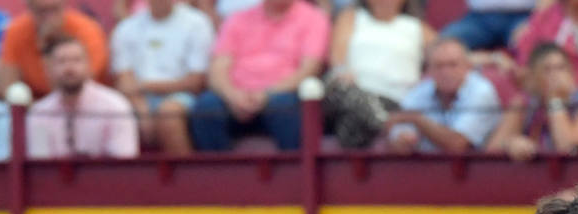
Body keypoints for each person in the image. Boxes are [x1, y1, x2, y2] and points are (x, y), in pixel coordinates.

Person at [189, 0, 328, 151]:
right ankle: (219, 172)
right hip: (236, 97)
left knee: (284, 106)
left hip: (282, 95)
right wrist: (233, 96)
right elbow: (217, 69)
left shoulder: (313, 18)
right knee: (206, 107)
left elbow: (309, 69)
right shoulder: (238, 19)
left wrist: (266, 94)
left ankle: (294, 173)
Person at [323, 0, 433, 149]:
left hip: (395, 99)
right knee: (347, 95)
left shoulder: (416, 27)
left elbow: (445, 53)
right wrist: (342, 71)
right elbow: (337, 57)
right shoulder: (351, 18)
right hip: (352, 92)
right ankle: (389, 125)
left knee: (350, 126)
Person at [111, 0, 214, 154]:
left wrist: (145, 86)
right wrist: (141, 107)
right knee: (109, 112)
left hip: (184, 96)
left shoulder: (197, 23)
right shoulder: (126, 28)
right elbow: (124, 79)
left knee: (168, 115)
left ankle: (185, 176)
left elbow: (196, 81)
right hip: (138, 97)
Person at [26, 35, 139, 158]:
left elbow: (124, 164)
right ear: (48, 69)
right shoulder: (39, 113)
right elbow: (40, 168)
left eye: (76, 60)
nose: (69, 68)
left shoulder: (115, 107)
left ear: (89, 65)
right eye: (61, 61)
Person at [386, 38, 502, 153]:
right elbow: (399, 128)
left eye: (453, 65)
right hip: (427, 167)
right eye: (439, 66)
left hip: (480, 168)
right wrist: (401, 137)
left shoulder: (481, 91)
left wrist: (417, 120)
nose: (446, 72)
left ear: (468, 66)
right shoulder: (420, 91)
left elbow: (457, 144)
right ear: (428, 69)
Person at [487, 42, 578, 160]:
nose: (555, 75)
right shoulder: (525, 103)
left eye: (561, 68)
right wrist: (510, 144)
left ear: (571, 72)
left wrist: (555, 100)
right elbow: (491, 150)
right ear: (533, 77)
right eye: (547, 69)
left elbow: (569, 148)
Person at [0, 0, 109, 100]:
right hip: (34, 109)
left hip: (86, 106)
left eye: (54, 9)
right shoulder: (16, 31)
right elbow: (10, 88)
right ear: (29, 8)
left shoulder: (88, 29)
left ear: (64, 4)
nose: (49, 18)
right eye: (42, 11)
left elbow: (77, 84)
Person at [440, 0, 537, 51]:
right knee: (443, 45)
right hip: (479, 18)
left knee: (531, 44)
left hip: (522, 16)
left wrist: (535, 20)